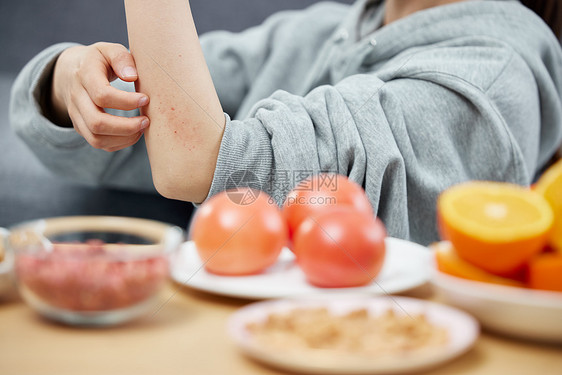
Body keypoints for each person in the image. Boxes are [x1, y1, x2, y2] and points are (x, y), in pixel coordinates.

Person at [9, 0, 562, 245]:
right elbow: (141, 117)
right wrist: (69, 80)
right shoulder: (318, 30)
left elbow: (196, 162)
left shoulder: (490, 74)